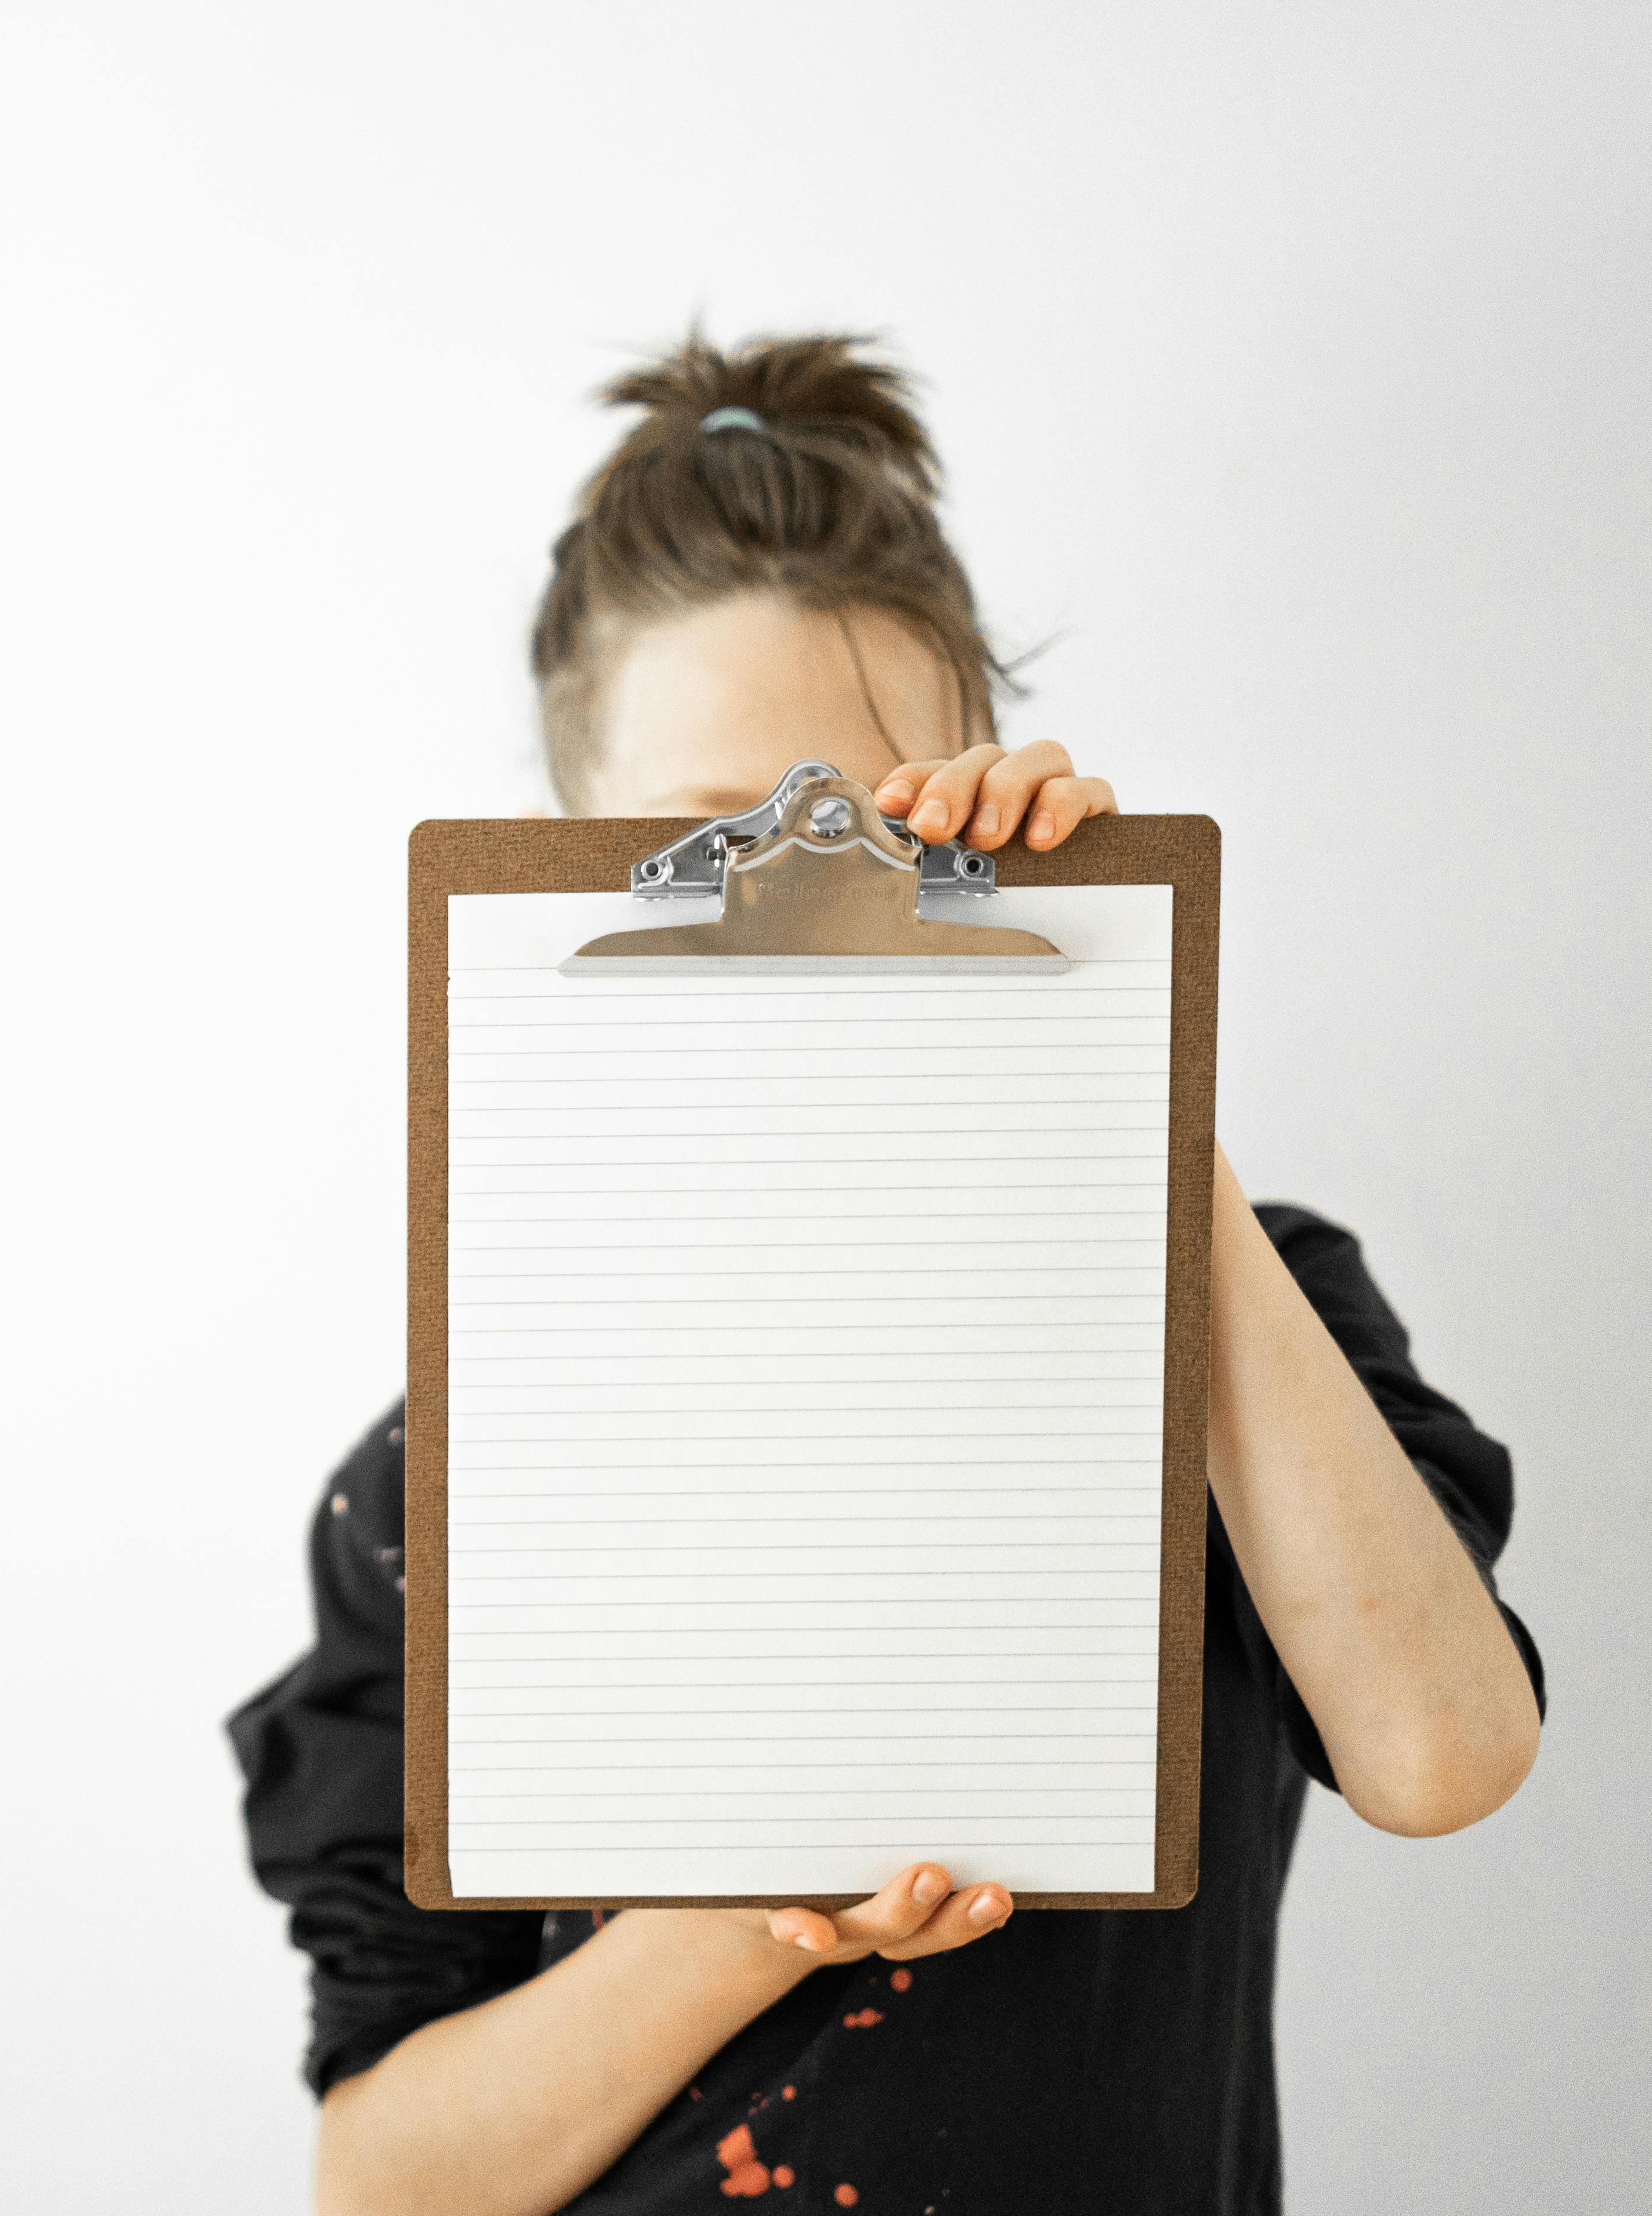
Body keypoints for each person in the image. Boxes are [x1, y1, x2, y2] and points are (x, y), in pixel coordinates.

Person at [227, 332, 1546, 2216]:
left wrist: (1118, 1055)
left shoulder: (1240, 1294)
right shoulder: (450, 1468)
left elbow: (1443, 1751)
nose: (804, 893)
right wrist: (763, 1919)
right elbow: (385, 2181)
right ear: (567, 866)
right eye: (712, 841)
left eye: (880, 817)